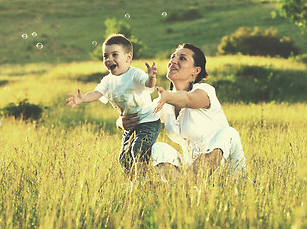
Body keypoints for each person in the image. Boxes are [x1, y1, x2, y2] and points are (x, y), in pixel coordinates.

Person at [119, 43, 246, 179]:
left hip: (227, 171)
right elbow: (137, 115)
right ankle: (181, 188)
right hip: (192, 173)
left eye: (182, 58)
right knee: (158, 148)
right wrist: (121, 122)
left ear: (196, 70)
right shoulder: (164, 102)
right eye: (173, 57)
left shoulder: (205, 91)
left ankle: (188, 184)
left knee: (229, 133)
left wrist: (167, 96)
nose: (173, 61)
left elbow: (187, 99)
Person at [66, 34, 161, 180]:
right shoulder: (107, 80)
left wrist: (152, 77)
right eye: (105, 56)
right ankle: (130, 182)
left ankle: (142, 182)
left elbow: (149, 85)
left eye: (114, 55)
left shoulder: (135, 74)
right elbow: (97, 93)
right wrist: (83, 98)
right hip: (130, 125)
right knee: (123, 158)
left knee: (138, 149)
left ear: (128, 58)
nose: (109, 59)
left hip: (147, 121)